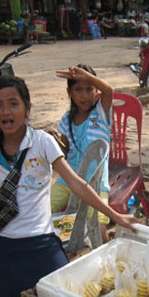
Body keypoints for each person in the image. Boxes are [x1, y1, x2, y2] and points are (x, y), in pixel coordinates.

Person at [0, 75, 137, 297]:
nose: (6, 112)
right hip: (3, 239)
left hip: (39, 239)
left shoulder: (43, 143)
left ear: (27, 107)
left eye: (13, 104)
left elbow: (78, 185)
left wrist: (114, 215)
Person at [51, 64, 114, 244]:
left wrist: (87, 76)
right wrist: (55, 141)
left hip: (96, 184)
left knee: (99, 228)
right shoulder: (66, 119)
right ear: (69, 92)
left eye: (89, 89)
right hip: (67, 181)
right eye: (78, 90)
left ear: (96, 91)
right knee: (43, 210)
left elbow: (109, 90)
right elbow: (62, 152)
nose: (85, 95)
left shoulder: (101, 113)